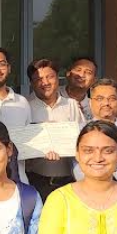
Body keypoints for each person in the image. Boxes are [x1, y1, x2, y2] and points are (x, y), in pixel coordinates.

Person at [24, 58, 86, 199]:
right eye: (39, 79)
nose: (45, 82)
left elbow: (83, 137)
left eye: (50, 77)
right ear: (31, 83)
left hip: (68, 179)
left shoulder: (71, 105)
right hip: (36, 179)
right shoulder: (26, 106)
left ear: (58, 78)